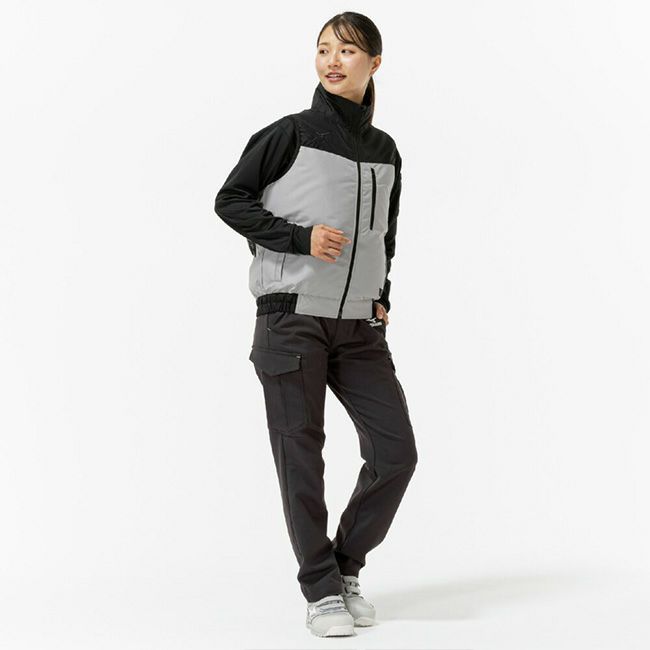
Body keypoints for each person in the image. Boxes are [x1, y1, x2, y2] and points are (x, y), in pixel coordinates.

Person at [214, 12, 418, 638]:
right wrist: (298, 238)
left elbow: (385, 234)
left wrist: (381, 295)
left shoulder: (385, 151)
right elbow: (230, 200)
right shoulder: (289, 134)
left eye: (348, 51)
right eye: (324, 49)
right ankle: (321, 591)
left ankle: (345, 566)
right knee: (302, 458)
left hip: (359, 327)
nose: (333, 60)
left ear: (374, 64)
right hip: (291, 318)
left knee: (396, 453)